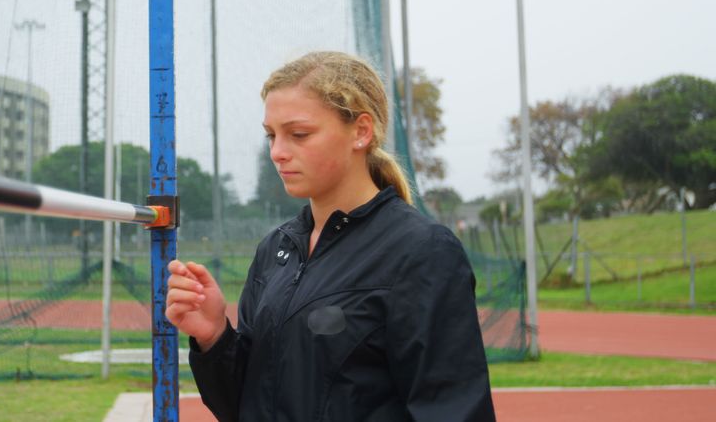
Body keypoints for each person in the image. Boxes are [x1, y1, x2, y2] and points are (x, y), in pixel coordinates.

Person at [165, 51, 496, 421]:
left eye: (299, 134)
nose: (277, 152)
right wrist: (214, 337)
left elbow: (453, 410)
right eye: (271, 135)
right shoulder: (276, 249)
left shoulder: (422, 251)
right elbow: (246, 405)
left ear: (361, 131)